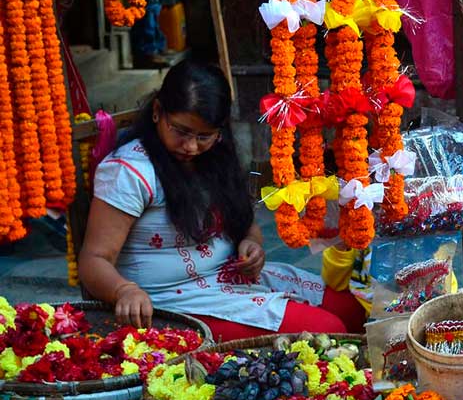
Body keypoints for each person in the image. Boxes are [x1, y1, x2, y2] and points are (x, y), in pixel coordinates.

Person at [79, 60, 366, 341]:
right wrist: (124, 291)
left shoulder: (215, 157)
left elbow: (245, 224)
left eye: (204, 136)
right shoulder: (128, 171)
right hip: (170, 300)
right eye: (181, 131)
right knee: (330, 331)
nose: (191, 146)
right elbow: (94, 260)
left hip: (227, 278)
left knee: (353, 311)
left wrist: (251, 244)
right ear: (157, 112)